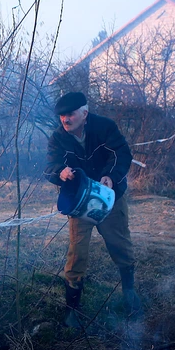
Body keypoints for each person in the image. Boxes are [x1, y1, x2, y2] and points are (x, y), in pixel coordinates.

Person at [45, 92, 142, 328]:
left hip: (109, 197)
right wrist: (61, 173)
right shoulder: (57, 138)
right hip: (79, 201)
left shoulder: (105, 127)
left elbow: (123, 154)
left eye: (70, 114)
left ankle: (129, 294)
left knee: (120, 244)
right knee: (77, 252)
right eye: (62, 116)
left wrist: (111, 177)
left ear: (84, 114)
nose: (65, 120)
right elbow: (49, 167)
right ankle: (72, 309)